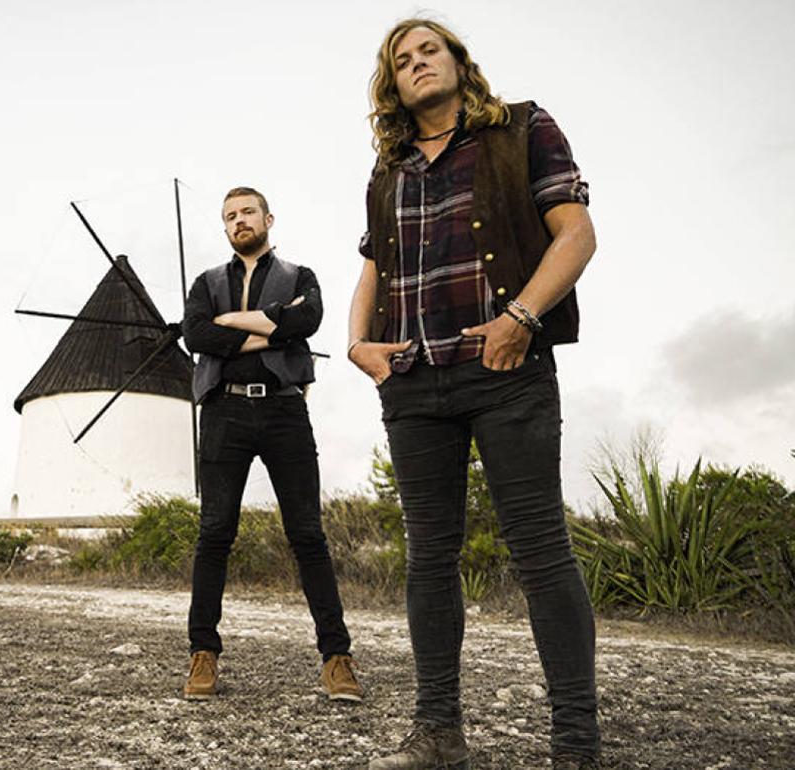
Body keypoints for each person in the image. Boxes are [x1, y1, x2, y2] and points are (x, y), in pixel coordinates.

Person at [346, 18, 600, 770]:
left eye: (430, 50)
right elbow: (372, 267)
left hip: (506, 370)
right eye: (402, 60)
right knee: (429, 557)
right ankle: (438, 734)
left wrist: (521, 317)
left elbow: (576, 233)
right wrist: (361, 346)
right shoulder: (387, 171)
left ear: (459, 61)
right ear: (391, 85)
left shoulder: (521, 128)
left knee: (541, 551)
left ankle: (575, 746)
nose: (418, 63)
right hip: (414, 382)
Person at [180, 186, 361, 702]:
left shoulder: (301, 277)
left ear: (268, 218)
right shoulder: (205, 282)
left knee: (308, 534)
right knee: (215, 533)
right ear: (225, 227)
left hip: (284, 407)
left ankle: (337, 657)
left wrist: (232, 321)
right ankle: (203, 654)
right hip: (224, 410)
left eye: (247, 213)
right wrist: (273, 327)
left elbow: (309, 321)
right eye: (230, 216)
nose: (239, 222)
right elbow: (196, 336)